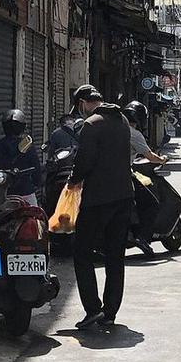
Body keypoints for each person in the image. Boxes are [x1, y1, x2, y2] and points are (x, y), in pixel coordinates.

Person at [67, 84, 133, 333]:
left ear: (83, 103)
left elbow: (84, 162)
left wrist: (72, 181)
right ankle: (110, 313)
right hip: (124, 197)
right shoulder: (122, 120)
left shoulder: (91, 124)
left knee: (82, 253)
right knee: (115, 256)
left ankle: (93, 308)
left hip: (97, 199)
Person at [0, 108, 42, 196]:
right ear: (22, 127)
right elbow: (36, 170)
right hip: (25, 192)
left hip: (1, 193)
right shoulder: (27, 145)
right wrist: (37, 183)